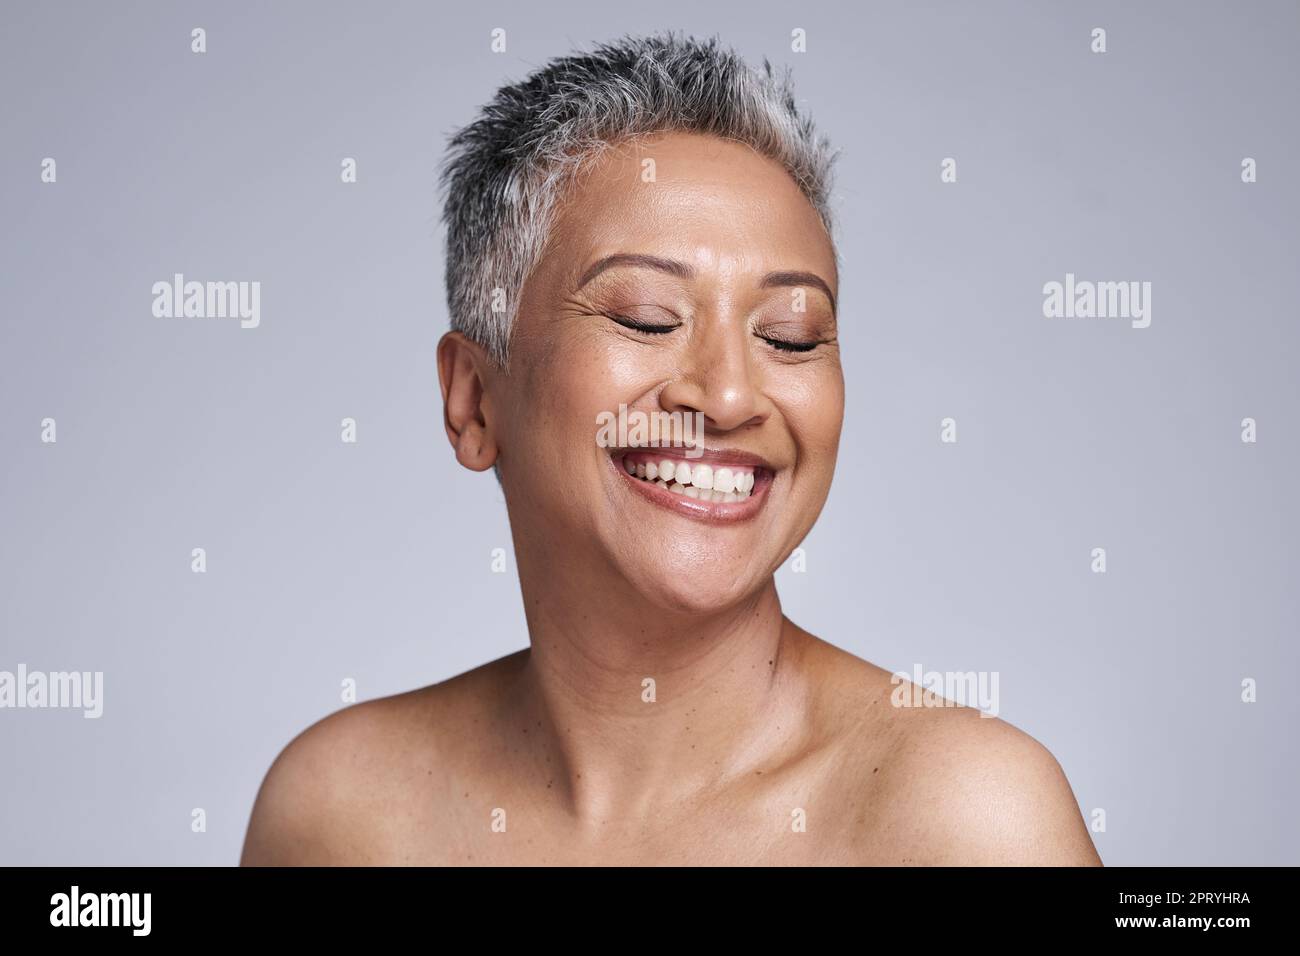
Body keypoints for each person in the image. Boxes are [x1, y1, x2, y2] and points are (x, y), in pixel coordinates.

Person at [241, 32, 1102, 866]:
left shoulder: (967, 818)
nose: (727, 395)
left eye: (793, 337)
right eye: (645, 319)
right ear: (473, 401)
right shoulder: (340, 811)